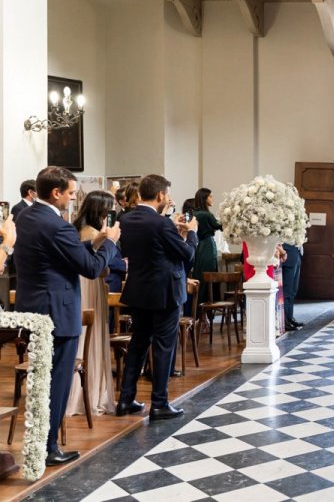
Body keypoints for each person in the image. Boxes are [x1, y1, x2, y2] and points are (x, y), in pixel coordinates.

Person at [13, 166, 118, 466]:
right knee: (57, 382)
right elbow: (91, 268)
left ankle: (39, 444)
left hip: (34, 309)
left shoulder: (28, 216)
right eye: (71, 193)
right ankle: (47, 447)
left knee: (42, 381)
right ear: (56, 193)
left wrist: (93, 242)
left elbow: (64, 250)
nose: (73, 198)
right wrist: (109, 242)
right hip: (57, 313)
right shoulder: (56, 224)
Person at [116, 174, 198, 422]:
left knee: (138, 344)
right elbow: (187, 255)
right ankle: (159, 403)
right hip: (165, 292)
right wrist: (191, 234)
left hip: (139, 289)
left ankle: (126, 399)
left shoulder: (125, 220)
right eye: (167, 194)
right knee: (163, 345)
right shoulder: (161, 223)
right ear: (160, 195)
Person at [66, 191, 119, 417]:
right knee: (91, 337)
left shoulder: (79, 228)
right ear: (101, 211)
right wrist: (111, 242)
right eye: (109, 209)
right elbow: (97, 266)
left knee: (88, 336)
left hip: (89, 284)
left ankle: (89, 391)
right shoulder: (92, 232)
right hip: (89, 285)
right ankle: (86, 395)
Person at [190, 188, 222, 304]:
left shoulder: (193, 213)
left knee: (200, 272)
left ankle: (198, 305)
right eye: (210, 196)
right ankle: (207, 303)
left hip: (199, 245)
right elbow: (220, 226)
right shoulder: (206, 215)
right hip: (207, 245)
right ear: (204, 198)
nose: (212, 199)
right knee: (209, 274)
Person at [281, 242, 304, 331]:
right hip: (288, 254)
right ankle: (285, 321)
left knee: (293, 290)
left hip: (295, 253)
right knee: (287, 291)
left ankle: (290, 318)